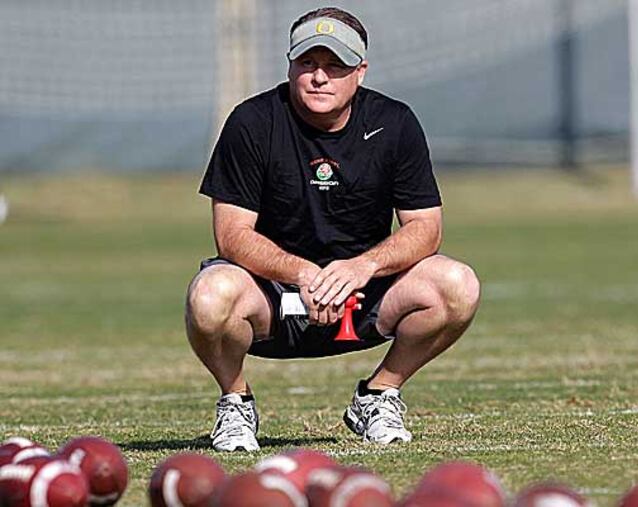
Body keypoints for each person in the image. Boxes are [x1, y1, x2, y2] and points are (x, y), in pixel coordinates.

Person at [186, 6, 480, 451]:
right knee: (209, 297)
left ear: (360, 72)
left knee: (457, 284)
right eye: (307, 63)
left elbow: (426, 228)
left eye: (335, 65)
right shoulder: (251, 122)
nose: (319, 77)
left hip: (362, 297)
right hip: (272, 297)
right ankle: (235, 401)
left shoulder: (394, 123)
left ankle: (379, 394)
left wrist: (362, 268)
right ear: (290, 66)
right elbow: (231, 235)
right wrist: (303, 274)